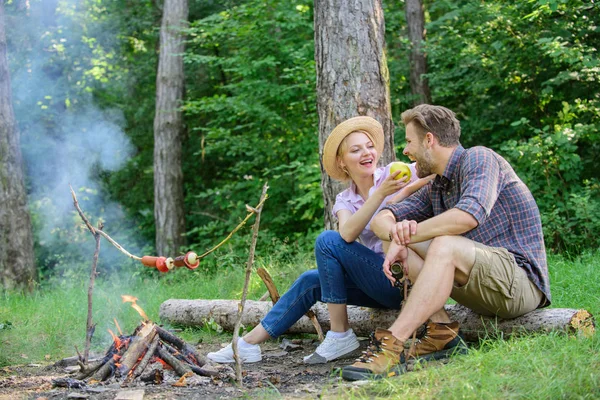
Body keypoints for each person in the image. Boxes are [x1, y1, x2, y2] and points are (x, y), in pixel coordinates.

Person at [341, 104, 551, 381]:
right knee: (417, 239)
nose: (406, 151)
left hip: (520, 285)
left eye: (409, 142)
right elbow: (382, 219)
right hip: (482, 287)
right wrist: (397, 234)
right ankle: (442, 332)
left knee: (442, 243)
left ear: (429, 140)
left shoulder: (479, 159)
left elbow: (467, 217)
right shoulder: (437, 185)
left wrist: (405, 237)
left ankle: (392, 344)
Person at [207, 116, 433, 364]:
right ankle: (248, 344)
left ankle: (339, 334)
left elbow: (436, 171)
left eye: (369, 146)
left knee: (326, 240)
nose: (366, 153)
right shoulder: (345, 200)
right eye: (356, 150)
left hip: (405, 279)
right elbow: (347, 233)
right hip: (377, 282)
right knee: (310, 280)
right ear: (342, 162)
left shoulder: (393, 174)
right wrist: (379, 195)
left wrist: (409, 189)